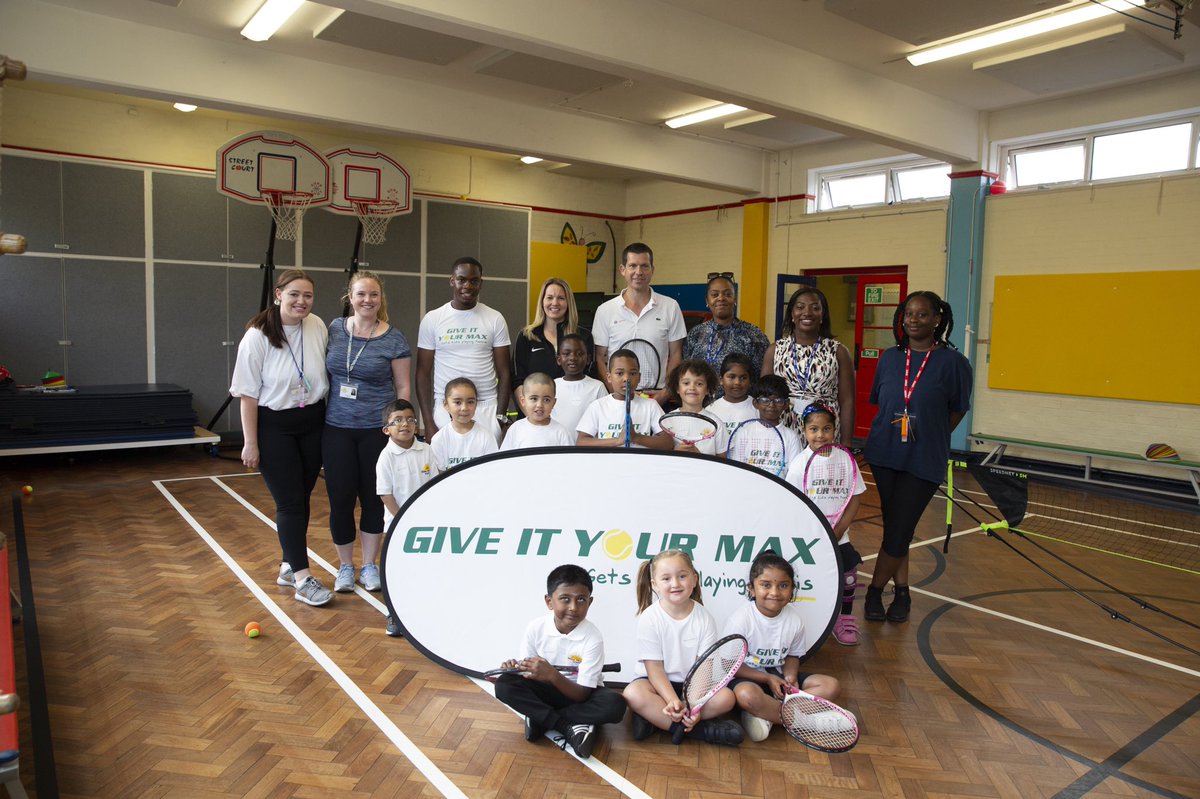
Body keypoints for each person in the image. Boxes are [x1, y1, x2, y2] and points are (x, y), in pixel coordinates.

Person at [864, 291, 972, 624]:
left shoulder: (955, 363)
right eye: (908, 314)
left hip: (924, 458)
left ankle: (874, 590)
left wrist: (929, 434)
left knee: (899, 528)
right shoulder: (890, 357)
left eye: (922, 314)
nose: (913, 320)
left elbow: (956, 412)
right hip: (885, 453)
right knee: (899, 526)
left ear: (938, 319)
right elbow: (881, 401)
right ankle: (903, 592)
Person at [230, 269, 333, 607]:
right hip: (274, 426)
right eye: (294, 295)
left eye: (307, 296)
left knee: (301, 499)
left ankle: (289, 566)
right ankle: (303, 580)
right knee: (289, 502)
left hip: (313, 421)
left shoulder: (316, 325)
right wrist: (250, 441)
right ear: (278, 295)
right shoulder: (257, 336)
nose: (301, 301)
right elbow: (247, 394)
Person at [323, 270, 412, 595]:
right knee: (341, 500)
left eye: (373, 295)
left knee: (374, 500)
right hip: (337, 430)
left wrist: (399, 426)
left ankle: (370, 565)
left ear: (380, 299)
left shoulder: (394, 338)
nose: (367, 300)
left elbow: (402, 386)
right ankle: (346, 566)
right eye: (361, 294)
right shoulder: (333, 329)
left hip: (376, 431)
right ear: (350, 296)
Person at [493, 565, 627, 759]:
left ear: (590, 602)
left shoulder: (593, 637)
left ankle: (540, 717)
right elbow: (528, 675)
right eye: (565, 599)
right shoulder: (536, 628)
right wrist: (515, 669)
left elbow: (582, 694)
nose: (573, 607)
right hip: (546, 690)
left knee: (615, 704)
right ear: (549, 601)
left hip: (580, 693)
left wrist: (552, 675)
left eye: (581, 599)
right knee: (505, 685)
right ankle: (570, 726)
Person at [623, 550, 743, 746]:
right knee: (632, 693)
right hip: (656, 684)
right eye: (666, 578)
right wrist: (672, 700)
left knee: (726, 698)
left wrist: (692, 704)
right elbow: (654, 669)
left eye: (682, 576)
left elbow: (704, 669)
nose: (675, 584)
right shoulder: (650, 618)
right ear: (655, 585)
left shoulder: (704, 618)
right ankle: (699, 731)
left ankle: (656, 720)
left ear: (694, 579)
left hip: (693, 686)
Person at [723, 550, 840, 742]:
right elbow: (729, 666)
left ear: (793, 589)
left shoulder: (794, 620)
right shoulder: (740, 621)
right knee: (746, 695)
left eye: (783, 585)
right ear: (751, 589)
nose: (775, 593)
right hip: (748, 678)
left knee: (830, 686)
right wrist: (766, 678)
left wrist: (790, 675)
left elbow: (793, 656)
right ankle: (807, 722)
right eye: (765, 585)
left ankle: (768, 716)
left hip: (778, 680)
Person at [786, 404, 866, 645]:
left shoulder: (846, 460)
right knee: (810, 578)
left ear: (834, 429)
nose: (820, 435)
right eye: (813, 429)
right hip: (810, 538)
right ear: (804, 430)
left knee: (848, 575)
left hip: (839, 536)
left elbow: (856, 496)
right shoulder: (800, 463)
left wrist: (840, 529)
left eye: (826, 429)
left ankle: (844, 619)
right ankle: (810, 619)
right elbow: (794, 502)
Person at [416, 257, 512, 444]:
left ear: (480, 283)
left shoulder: (495, 318)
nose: (467, 285)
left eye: (474, 280)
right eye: (461, 279)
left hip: (486, 406)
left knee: (486, 469)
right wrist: (427, 421)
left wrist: (500, 416)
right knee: (447, 470)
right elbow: (422, 373)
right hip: (446, 407)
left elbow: (505, 372)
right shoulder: (433, 319)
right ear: (452, 280)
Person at [375, 399, 439, 637]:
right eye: (398, 420)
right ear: (386, 429)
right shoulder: (386, 457)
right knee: (397, 571)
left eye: (410, 419)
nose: (405, 424)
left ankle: (420, 610)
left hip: (424, 523)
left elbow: (434, 484)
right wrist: (403, 518)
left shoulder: (427, 450)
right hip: (398, 524)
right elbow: (385, 493)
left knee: (422, 569)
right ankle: (394, 612)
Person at [591, 243, 685, 402]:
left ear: (652, 270)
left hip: (658, 398)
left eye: (644, 266)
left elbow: (676, 354)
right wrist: (615, 392)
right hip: (618, 398)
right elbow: (599, 358)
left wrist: (666, 393)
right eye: (632, 266)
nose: (638, 272)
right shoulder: (605, 310)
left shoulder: (671, 306)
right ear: (622, 270)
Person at [763, 286, 855, 445]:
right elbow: (764, 396)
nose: (807, 312)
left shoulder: (838, 351)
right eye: (800, 307)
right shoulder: (775, 350)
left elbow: (847, 401)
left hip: (823, 430)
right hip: (784, 427)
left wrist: (846, 443)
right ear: (792, 314)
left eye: (815, 308)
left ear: (822, 315)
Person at [575, 350, 673, 450]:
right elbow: (581, 442)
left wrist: (636, 437)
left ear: (639, 377)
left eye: (633, 373)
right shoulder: (598, 406)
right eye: (620, 373)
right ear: (609, 377)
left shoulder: (650, 405)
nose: (626, 378)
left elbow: (668, 442)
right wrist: (617, 441)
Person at [683, 273, 769, 384]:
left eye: (728, 294)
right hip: (700, 400)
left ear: (735, 299)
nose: (721, 298)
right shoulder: (696, 333)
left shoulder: (753, 335)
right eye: (714, 295)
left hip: (739, 400)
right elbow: (686, 372)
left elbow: (761, 380)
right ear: (707, 301)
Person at [512, 278, 595, 393]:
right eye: (549, 297)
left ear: (568, 302)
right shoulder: (527, 336)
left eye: (561, 298)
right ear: (542, 301)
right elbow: (518, 380)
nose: (555, 303)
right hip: (536, 409)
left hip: (575, 407)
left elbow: (591, 378)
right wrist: (529, 409)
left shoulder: (584, 337)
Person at [735, 375, 804, 475]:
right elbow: (737, 469)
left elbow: (794, 474)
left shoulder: (791, 437)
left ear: (786, 404)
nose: (771, 405)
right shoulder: (744, 432)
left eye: (778, 401)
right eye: (765, 400)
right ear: (755, 403)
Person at [429, 377, 498, 471]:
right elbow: (439, 476)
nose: (464, 408)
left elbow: (492, 470)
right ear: (446, 405)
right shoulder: (439, 439)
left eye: (470, 402)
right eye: (458, 402)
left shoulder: (486, 436)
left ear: (476, 404)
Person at [662, 359, 728, 457]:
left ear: (707, 389)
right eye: (686, 383)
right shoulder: (666, 421)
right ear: (677, 388)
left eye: (699, 384)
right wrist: (674, 452)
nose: (692, 388)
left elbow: (723, 462)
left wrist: (699, 456)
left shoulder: (716, 423)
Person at [500, 373, 576, 450]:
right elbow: (504, 460)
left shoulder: (561, 433)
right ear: (523, 401)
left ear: (553, 403)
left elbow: (569, 460)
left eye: (546, 400)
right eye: (534, 399)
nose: (539, 405)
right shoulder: (515, 429)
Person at [551, 334, 606, 433]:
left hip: (587, 447)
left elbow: (605, 418)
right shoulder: (552, 386)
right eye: (566, 354)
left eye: (579, 354)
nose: (573, 358)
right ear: (559, 360)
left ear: (588, 359)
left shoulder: (597, 387)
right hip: (557, 447)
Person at [707, 353, 757, 439]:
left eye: (743, 378)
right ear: (721, 380)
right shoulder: (710, 410)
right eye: (731, 377)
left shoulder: (758, 409)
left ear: (750, 382)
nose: (737, 382)